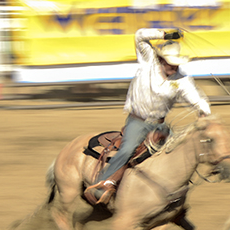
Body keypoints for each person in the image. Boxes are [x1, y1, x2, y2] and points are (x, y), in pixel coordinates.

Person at [85, 28, 212, 205]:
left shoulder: (182, 79)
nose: (173, 66)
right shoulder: (148, 61)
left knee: (179, 153)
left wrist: (204, 111)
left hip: (160, 125)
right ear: (161, 59)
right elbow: (140, 35)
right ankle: (103, 184)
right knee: (128, 149)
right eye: (169, 62)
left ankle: (174, 196)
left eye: (175, 63)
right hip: (137, 121)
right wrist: (165, 34)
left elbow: (196, 98)